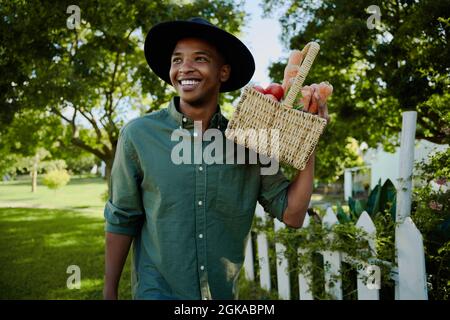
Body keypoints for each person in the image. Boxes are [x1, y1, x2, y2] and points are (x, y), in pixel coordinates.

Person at [103, 17, 330, 300]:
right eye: (177, 60)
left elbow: (292, 214)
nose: (185, 67)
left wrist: (309, 140)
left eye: (199, 59)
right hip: (157, 293)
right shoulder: (139, 135)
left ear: (223, 72)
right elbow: (122, 218)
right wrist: (109, 291)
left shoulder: (250, 140)